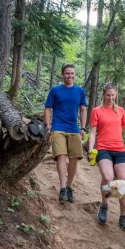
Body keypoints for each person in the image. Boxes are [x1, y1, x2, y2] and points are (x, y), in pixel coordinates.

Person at [87, 82, 125, 232]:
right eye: (108, 95)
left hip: (119, 149)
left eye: (113, 95)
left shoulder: (121, 111)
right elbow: (93, 133)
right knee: (107, 176)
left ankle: (123, 215)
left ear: (115, 95)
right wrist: (91, 149)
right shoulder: (97, 111)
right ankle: (104, 205)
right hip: (103, 148)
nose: (110, 98)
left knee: (124, 180)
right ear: (103, 95)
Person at [44, 63, 87, 203]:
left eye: (72, 73)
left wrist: (83, 128)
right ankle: (62, 188)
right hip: (58, 128)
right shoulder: (55, 90)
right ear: (63, 75)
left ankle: (69, 187)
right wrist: (48, 126)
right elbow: (48, 108)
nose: (70, 76)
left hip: (74, 128)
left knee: (74, 158)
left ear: (75, 75)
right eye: (67, 73)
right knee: (61, 156)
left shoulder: (80, 91)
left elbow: (83, 110)